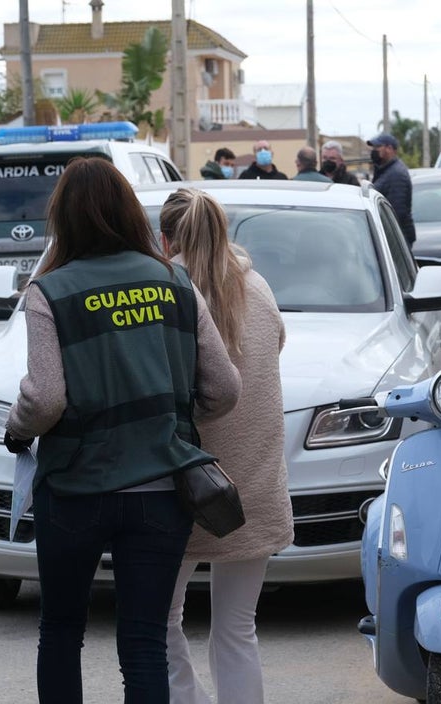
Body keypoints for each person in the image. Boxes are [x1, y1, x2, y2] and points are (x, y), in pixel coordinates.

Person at [3, 158, 241, 702]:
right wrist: (169, 418)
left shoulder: (51, 291)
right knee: (144, 642)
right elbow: (225, 390)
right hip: (162, 492)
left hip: (75, 490)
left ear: (63, 219)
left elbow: (44, 401)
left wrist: (15, 427)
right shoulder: (174, 281)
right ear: (131, 212)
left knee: (61, 631)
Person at [158, 188, 293, 704]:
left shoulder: (169, 293)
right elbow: (273, 347)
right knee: (238, 627)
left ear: (165, 239)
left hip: (188, 490)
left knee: (162, 623)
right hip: (253, 488)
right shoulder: (257, 287)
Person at [367, 133, 415, 249]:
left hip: (396, 240)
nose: (374, 151)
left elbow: (397, 212)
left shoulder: (396, 174)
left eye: (377, 147)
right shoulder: (385, 171)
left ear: (389, 149)